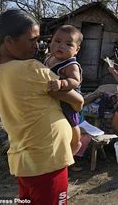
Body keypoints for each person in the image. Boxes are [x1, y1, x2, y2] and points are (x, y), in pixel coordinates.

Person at [0, 10, 83, 205]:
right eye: (32, 40)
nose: (36, 45)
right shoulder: (31, 68)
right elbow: (78, 101)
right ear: (9, 41)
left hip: (26, 160)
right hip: (47, 159)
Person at [44, 25, 83, 164]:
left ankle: (76, 143)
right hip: (54, 98)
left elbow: (75, 81)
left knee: (71, 121)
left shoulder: (71, 64)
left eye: (68, 44)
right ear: (51, 42)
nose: (61, 46)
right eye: (57, 41)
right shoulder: (50, 59)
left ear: (76, 50)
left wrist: (62, 84)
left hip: (68, 97)